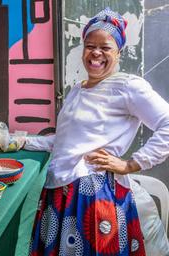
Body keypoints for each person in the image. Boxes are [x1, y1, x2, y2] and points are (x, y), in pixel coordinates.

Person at [24, 8, 169, 256]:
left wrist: (131, 164)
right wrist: (20, 141)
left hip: (93, 195)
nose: (96, 53)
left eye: (106, 47)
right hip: (60, 191)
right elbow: (65, 142)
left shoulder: (127, 86)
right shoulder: (77, 89)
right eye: (90, 45)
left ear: (119, 52)